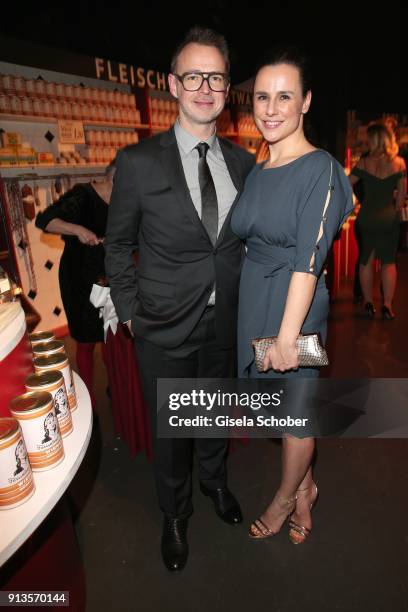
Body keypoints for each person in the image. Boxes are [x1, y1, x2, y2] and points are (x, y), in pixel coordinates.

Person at [105, 27, 255, 572]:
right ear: (173, 84)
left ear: (226, 89)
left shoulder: (242, 163)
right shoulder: (139, 162)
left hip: (225, 324)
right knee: (172, 433)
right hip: (162, 326)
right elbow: (118, 244)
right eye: (193, 75)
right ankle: (175, 513)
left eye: (215, 76)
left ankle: (215, 484)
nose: (204, 87)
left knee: (215, 417)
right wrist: (129, 313)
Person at [231, 47, 353, 544]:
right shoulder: (260, 167)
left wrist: (287, 335)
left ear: (306, 102)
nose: (271, 107)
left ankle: (284, 500)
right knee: (275, 411)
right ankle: (307, 489)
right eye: (262, 96)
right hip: (253, 300)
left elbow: (309, 258)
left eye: (284, 96)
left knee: (296, 416)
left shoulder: (319, 168)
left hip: (294, 307)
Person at [35, 163, 116, 407]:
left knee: (110, 335)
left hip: (108, 277)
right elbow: (44, 220)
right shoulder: (82, 194)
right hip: (79, 277)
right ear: (114, 180)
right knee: (86, 338)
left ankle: (116, 387)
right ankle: (88, 397)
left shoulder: (123, 202)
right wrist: (77, 229)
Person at [349, 123, 406, 319]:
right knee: (389, 263)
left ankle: (367, 302)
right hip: (388, 218)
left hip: (366, 217)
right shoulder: (399, 163)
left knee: (366, 260)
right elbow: (400, 200)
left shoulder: (364, 163)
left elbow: (346, 184)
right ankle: (388, 306)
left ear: (374, 140)